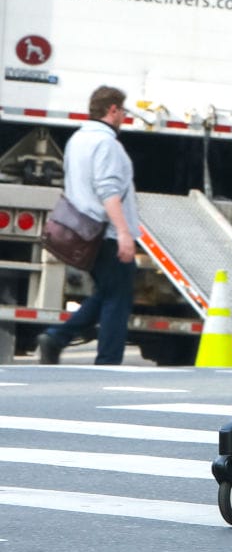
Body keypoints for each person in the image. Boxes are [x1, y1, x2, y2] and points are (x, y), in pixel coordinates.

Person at [37, 86, 140, 365]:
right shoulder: (107, 144)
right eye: (123, 111)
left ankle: (56, 337)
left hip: (82, 231)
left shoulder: (77, 140)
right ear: (113, 110)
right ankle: (107, 362)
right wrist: (123, 233)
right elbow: (108, 191)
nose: (123, 118)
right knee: (117, 299)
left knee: (106, 293)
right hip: (105, 232)